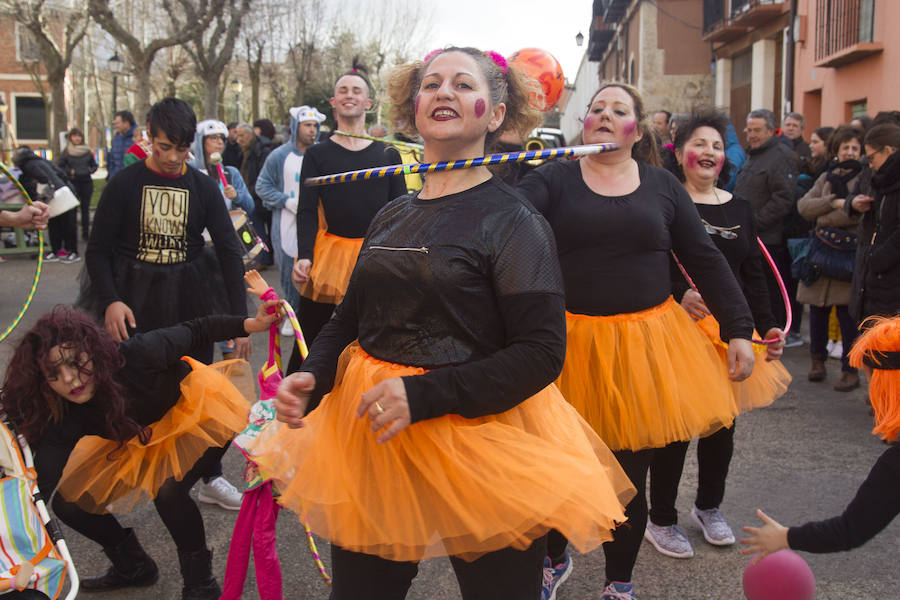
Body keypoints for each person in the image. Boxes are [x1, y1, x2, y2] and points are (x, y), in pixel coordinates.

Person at [245, 46, 634, 600]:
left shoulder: (515, 221)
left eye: (462, 84)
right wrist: (316, 374)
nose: (443, 92)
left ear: (495, 114)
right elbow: (352, 316)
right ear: (413, 105)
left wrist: (426, 395)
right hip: (376, 431)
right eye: (431, 84)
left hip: (482, 437)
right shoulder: (392, 211)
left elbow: (542, 352)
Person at [517, 83, 755, 600]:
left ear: (638, 127)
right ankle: (552, 561)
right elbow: (504, 221)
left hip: (644, 350)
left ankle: (618, 585)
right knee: (560, 468)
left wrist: (738, 327)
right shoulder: (552, 179)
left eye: (618, 110)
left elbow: (705, 260)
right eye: (596, 109)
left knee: (627, 481)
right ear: (584, 123)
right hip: (564, 348)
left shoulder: (662, 187)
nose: (605, 115)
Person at [0, 303, 278, 599]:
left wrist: (251, 324)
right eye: (54, 373)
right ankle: (133, 566)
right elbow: (36, 488)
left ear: (92, 351)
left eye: (75, 362)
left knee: (168, 490)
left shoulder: (138, 354)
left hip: (196, 413)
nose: (69, 379)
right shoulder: (65, 414)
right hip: (137, 434)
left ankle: (201, 585)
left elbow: (198, 328)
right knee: (69, 504)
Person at [79, 98, 251, 510]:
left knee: (200, 391)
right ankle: (119, 471)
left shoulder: (204, 187)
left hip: (191, 300)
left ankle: (209, 475)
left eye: (182, 149)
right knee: (128, 387)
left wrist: (237, 322)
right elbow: (98, 250)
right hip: (135, 301)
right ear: (148, 139)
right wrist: (111, 301)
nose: (173, 158)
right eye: (163, 147)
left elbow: (229, 252)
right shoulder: (124, 184)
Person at [644, 108, 790, 560]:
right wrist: (678, 292)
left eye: (716, 145)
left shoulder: (740, 208)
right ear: (680, 151)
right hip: (677, 333)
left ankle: (709, 507)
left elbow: (753, 275)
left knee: (722, 427)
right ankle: (661, 519)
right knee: (676, 429)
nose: (708, 152)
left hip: (729, 333)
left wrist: (764, 325)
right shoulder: (664, 203)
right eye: (698, 143)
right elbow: (645, 262)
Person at [740, 314, 900, 557]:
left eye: (873, 385)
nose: (870, 397)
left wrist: (785, 537)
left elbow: (849, 530)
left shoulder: (895, 465)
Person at [288, 60, 407, 372]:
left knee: (369, 336)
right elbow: (306, 210)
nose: (349, 95)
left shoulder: (387, 154)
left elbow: (400, 212)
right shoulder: (317, 154)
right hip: (329, 259)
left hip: (373, 256)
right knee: (310, 334)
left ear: (368, 103)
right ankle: (292, 402)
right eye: (343, 90)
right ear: (333, 102)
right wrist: (305, 254)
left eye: (357, 90)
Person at [797, 125, 864, 391]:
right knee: (817, 311)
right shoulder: (826, 177)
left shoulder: (863, 179)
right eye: (845, 147)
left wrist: (826, 213)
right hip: (820, 254)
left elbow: (857, 215)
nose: (849, 152)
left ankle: (850, 369)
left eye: (854, 148)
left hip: (847, 255)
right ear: (836, 151)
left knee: (847, 316)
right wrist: (837, 203)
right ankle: (817, 361)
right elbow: (803, 207)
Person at [255, 105, 325, 332]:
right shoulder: (279, 156)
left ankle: (310, 315)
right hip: (286, 220)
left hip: (317, 221)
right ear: (295, 127)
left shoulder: (321, 154)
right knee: (288, 268)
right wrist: (286, 201)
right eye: (307, 125)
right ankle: (291, 313)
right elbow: (262, 186)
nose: (312, 130)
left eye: (315, 125)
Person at [735, 108, 801, 347]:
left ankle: (774, 338)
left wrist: (755, 223)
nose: (751, 135)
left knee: (769, 294)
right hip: (748, 236)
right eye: (749, 129)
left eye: (757, 130)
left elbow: (783, 198)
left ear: (771, 131)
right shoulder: (753, 154)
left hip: (767, 240)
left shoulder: (780, 156)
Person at [848, 124, 900, 323]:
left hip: (889, 279)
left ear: (888, 150)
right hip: (879, 282)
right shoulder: (882, 181)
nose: (869, 164)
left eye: (871, 157)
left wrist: (877, 259)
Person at [12, 147, 79, 263]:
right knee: (62, 224)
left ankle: (68, 251)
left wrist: (40, 194)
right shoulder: (41, 161)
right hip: (63, 191)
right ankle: (63, 251)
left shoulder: (29, 165)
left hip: (55, 195)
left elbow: (43, 178)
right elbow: (61, 173)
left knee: (61, 224)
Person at [236, 123, 274, 270]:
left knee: (260, 229)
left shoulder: (261, 151)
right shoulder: (244, 150)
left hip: (259, 197)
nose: (239, 139)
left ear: (251, 135)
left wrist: (250, 192)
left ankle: (263, 258)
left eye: (242, 135)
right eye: (237, 135)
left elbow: (262, 177)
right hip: (251, 194)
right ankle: (263, 257)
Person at [57, 127, 98, 240]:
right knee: (72, 210)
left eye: (79, 136)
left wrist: (88, 170)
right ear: (70, 137)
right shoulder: (66, 152)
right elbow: (60, 166)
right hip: (73, 182)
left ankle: (86, 233)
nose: (77, 138)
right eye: (75, 136)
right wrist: (69, 172)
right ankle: (72, 234)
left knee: (85, 209)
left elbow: (94, 165)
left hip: (86, 182)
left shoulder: (87, 151)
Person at [108, 110, 137, 180]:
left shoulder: (138, 140)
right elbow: (112, 162)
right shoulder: (116, 140)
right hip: (117, 181)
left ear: (126, 123)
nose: (115, 126)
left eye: (117, 123)